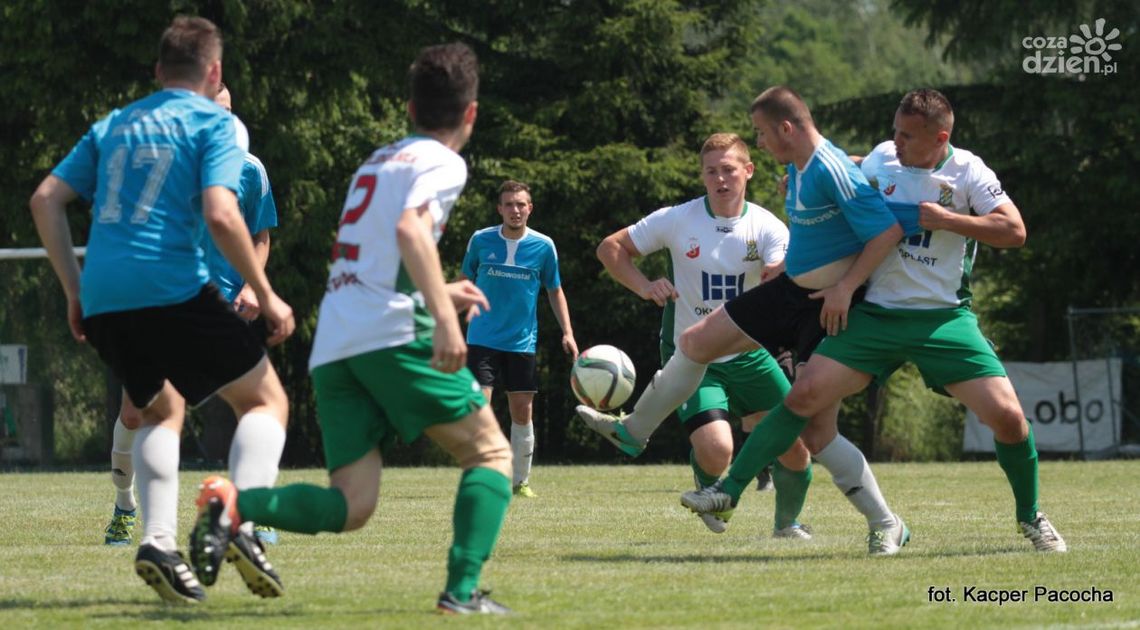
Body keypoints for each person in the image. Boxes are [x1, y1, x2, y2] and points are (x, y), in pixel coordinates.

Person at [189, 42, 515, 614]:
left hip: (337, 343)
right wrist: (444, 319)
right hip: (390, 335)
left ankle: (233, 504)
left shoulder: (377, 161)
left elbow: (375, 252)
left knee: (352, 505)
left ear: (409, 109)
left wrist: (438, 290)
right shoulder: (444, 162)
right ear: (471, 113)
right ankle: (461, 594)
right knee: (490, 454)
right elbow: (411, 234)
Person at [687, 88, 1066, 552]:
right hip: (874, 316)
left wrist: (948, 220)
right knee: (803, 398)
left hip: (942, 320)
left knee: (1008, 418)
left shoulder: (968, 171)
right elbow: (836, 169)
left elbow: (1015, 231)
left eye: (907, 135)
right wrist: (802, 183)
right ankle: (731, 490)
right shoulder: (882, 159)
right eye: (894, 131)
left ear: (940, 136)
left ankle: (1030, 517)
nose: (896, 142)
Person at [29, 15, 295, 604]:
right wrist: (267, 293)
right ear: (214, 72)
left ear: (157, 72)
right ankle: (240, 521)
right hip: (169, 285)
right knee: (266, 400)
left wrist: (75, 291)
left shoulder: (115, 123)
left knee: (160, 410)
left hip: (103, 292)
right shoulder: (213, 122)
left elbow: (46, 199)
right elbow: (224, 216)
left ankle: (155, 542)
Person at [578, 86, 911, 554]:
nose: (758, 143)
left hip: (813, 308)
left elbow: (884, 227)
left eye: (759, 135)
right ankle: (639, 436)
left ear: (784, 131)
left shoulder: (817, 178)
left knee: (813, 435)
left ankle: (868, 520)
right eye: (711, 170)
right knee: (695, 344)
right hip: (788, 300)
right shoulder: (802, 169)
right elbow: (858, 171)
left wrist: (845, 286)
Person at [593, 132, 812, 538]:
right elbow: (611, 248)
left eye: (729, 169)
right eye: (711, 171)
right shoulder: (678, 219)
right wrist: (645, 286)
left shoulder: (765, 225)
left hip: (750, 352)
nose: (721, 179)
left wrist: (780, 272)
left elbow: (783, 264)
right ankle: (708, 485)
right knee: (718, 450)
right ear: (702, 176)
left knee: (795, 447)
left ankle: (787, 525)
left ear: (748, 171)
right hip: (694, 358)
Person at [102, 81, 281, 548]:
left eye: (226, 110)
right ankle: (125, 508)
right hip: (162, 302)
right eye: (210, 109)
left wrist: (251, 285)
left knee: (255, 403)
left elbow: (259, 236)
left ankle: (256, 510)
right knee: (137, 413)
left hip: (222, 306)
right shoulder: (163, 161)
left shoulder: (249, 168)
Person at [461, 180, 578, 498]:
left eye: (521, 204)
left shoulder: (544, 246)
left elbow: (555, 290)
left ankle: (519, 481)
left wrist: (567, 332)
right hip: (481, 337)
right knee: (478, 408)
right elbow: (463, 281)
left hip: (521, 342)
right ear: (499, 208)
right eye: (509, 204)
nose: (515, 210)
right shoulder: (481, 240)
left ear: (530, 208)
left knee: (522, 412)